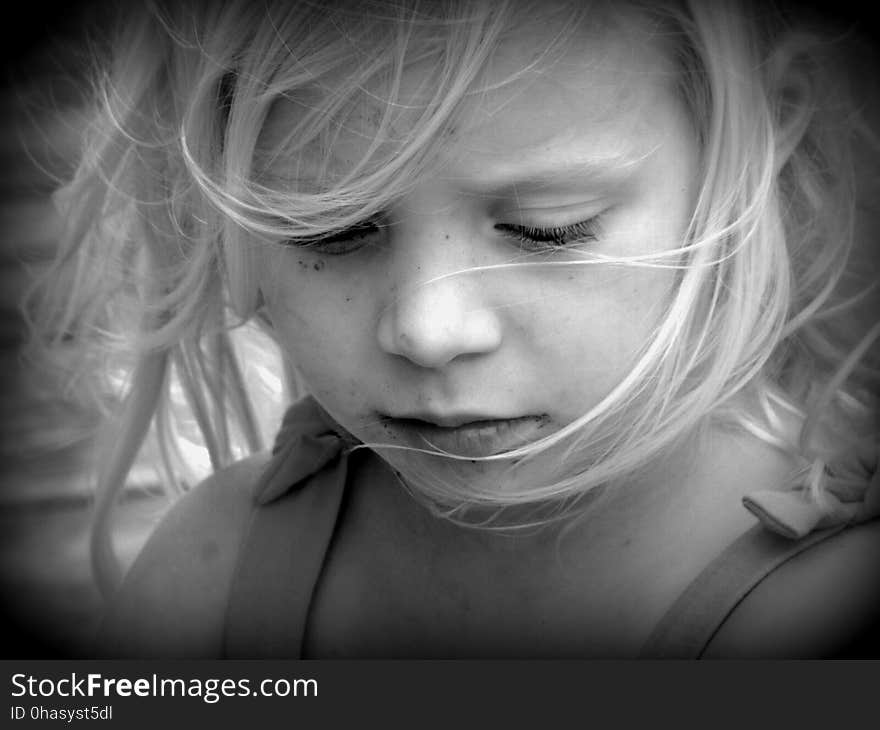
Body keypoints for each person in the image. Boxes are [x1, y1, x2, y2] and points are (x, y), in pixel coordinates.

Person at [23, 0, 880, 658]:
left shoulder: (833, 601)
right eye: (330, 233)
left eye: (549, 226)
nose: (430, 331)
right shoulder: (211, 576)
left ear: (760, 159)